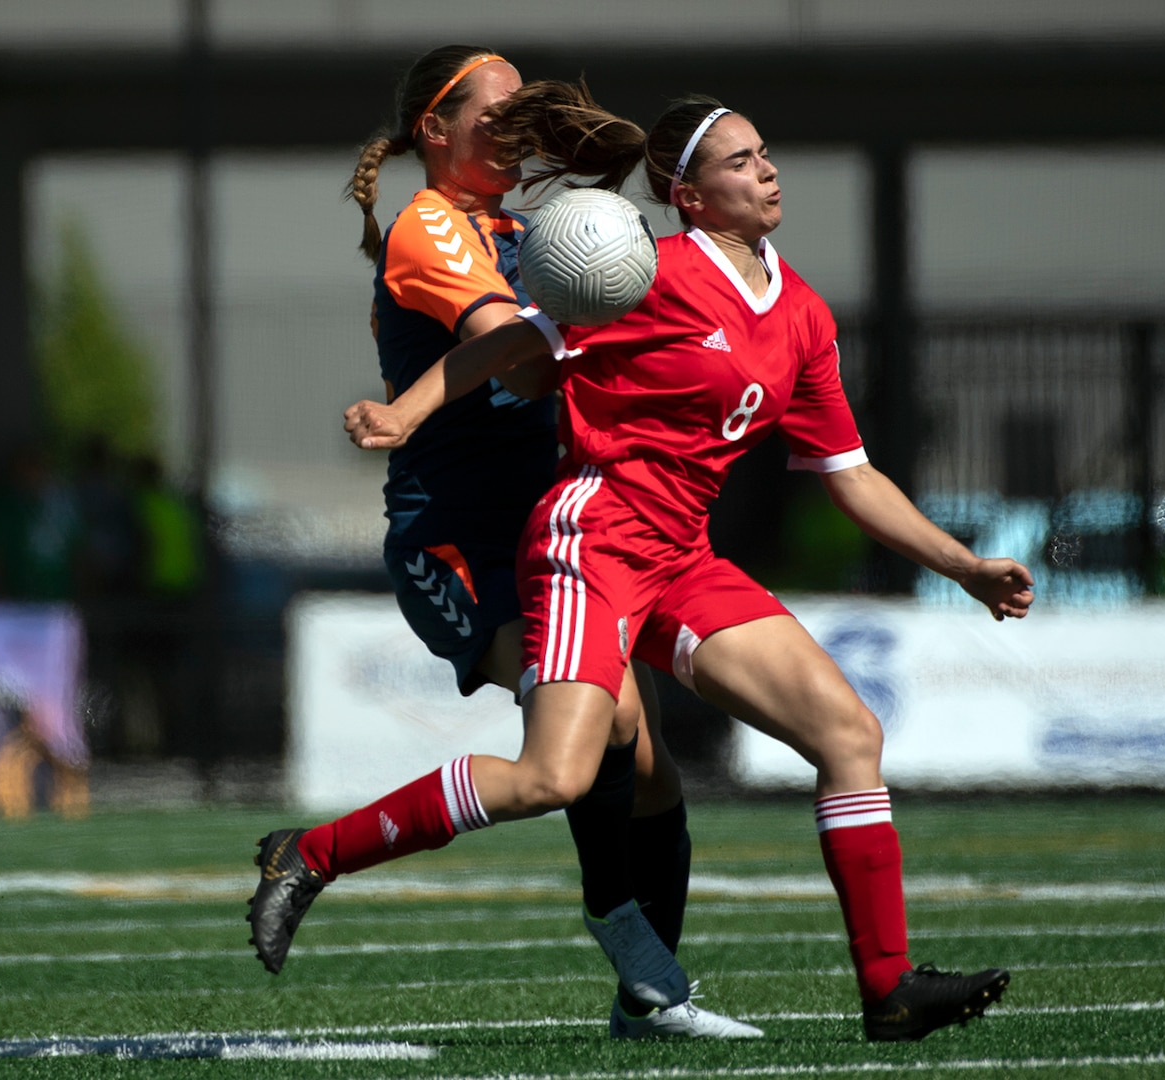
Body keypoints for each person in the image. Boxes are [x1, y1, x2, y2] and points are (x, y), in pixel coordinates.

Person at [334, 90, 1037, 1043]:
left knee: (847, 733)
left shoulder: (801, 312)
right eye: (741, 160)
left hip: (682, 559)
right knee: (556, 775)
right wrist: (403, 415)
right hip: (595, 539)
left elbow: (852, 475)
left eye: (766, 152)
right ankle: (315, 853)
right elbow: (511, 343)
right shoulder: (644, 273)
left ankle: (886, 991)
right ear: (690, 197)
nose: (768, 169)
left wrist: (963, 565)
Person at [246, 47, 756, 1040]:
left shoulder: (534, 228)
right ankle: (308, 854)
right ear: (436, 132)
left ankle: (644, 999)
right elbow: (518, 361)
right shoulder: (429, 224)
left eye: (531, 112)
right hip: (461, 538)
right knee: (587, 736)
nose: (519, 129)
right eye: (498, 113)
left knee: (649, 772)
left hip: (557, 524)